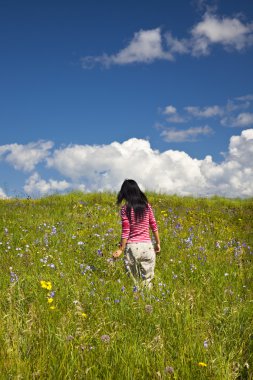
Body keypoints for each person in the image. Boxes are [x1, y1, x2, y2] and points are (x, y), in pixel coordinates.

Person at [113, 179, 160, 287]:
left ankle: (137, 301)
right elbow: (153, 225)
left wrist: (121, 249)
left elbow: (126, 230)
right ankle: (148, 302)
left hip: (133, 248)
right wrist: (158, 243)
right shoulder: (147, 206)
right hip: (148, 247)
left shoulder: (125, 209)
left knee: (134, 283)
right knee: (147, 282)